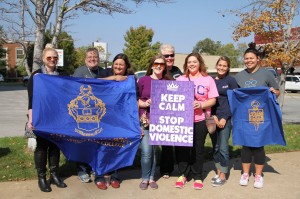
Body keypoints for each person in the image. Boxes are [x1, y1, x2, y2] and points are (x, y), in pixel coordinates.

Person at [235, 47, 280, 189]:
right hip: (244, 117)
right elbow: (235, 95)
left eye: (251, 58)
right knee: (246, 145)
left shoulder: (266, 74)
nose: (248, 61)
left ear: (257, 59)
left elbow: (277, 91)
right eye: (246, 58)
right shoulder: (239, 76)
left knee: (259, 145)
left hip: (261, 115)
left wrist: (274, 92)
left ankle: (258, 175)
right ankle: (245, 174)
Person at [27, 44, 68, 192]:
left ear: (58, 59)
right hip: (41, 115)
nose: (52, 60)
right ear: (44, 59)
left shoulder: (63, 75)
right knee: (42, 146)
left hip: (58, 117)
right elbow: (31, 98)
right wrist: (31, 117)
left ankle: (55, 175)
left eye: (55, 58)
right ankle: (42, 178)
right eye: (49, 57)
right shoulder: (37, 76)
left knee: (55, 145)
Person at [175, 52, 219, 190]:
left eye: (194, 61)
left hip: (200, 119)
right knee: (182, 148)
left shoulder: (208, 80)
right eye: (189, 62)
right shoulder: (180, 79)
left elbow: (213, 100)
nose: (192, 64)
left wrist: (201, 105)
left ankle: (198, 176)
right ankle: (183, 174)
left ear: (200, 63)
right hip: (182, 120)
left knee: (198, 148)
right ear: (186, 64)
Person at [93, 53, 134, 190]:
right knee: (101, 146)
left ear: (126, 66)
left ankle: (114, 176)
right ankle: (99, 176)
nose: (118, 66)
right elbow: (96, 82)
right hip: (102, 117)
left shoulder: (130, 79)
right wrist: (115, 78)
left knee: (116, 146)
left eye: (121, 64)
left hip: (120, 118)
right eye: (116, 64)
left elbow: (134, 98)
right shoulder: (106, 72)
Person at [138, 54, 172, 190]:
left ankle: (152, 178)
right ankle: (144, 178)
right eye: (156, 63)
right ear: (152, 65)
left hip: (160, 121)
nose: (158, 66)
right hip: (145, 119)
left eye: (161, 64)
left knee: (155, 151)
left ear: (164, 67)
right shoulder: (143, 80)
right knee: (146, 151)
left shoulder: (168, 82)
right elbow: (136, 100)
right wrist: (146, 103)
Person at [73, 47, 103, 183]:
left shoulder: (103, 72)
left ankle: (96, 167)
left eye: (95, 57)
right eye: (89, 57)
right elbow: (72, 90)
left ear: (99, 58)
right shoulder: (79, 71)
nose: (92, 59)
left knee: (97, 143)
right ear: (85, 59)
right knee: (83, 143)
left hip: (97, 115)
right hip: (83, 116)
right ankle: (82, 170)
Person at [210, 56, 238, 187]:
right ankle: (218, 170)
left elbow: (234, 102)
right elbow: (210, 101)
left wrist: (224, 118)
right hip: (213, 118)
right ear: (216, 66)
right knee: (215, 147)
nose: (221, 68)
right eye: (220, 65)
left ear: (228, 68)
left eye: (224, 66)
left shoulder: (231, 81)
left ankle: (223, 175)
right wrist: (214, 116)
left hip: (225, 119)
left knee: (223, 147)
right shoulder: (211, 81)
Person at [159, 44, 182, 179]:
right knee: (166, 144)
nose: (169, 58)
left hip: (177, 111)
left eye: (172, 55)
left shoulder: (178, 70)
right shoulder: (157, 69)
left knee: (179, 142)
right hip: (162, 112)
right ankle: (166, 169)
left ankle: (182, 168)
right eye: (166, 55)